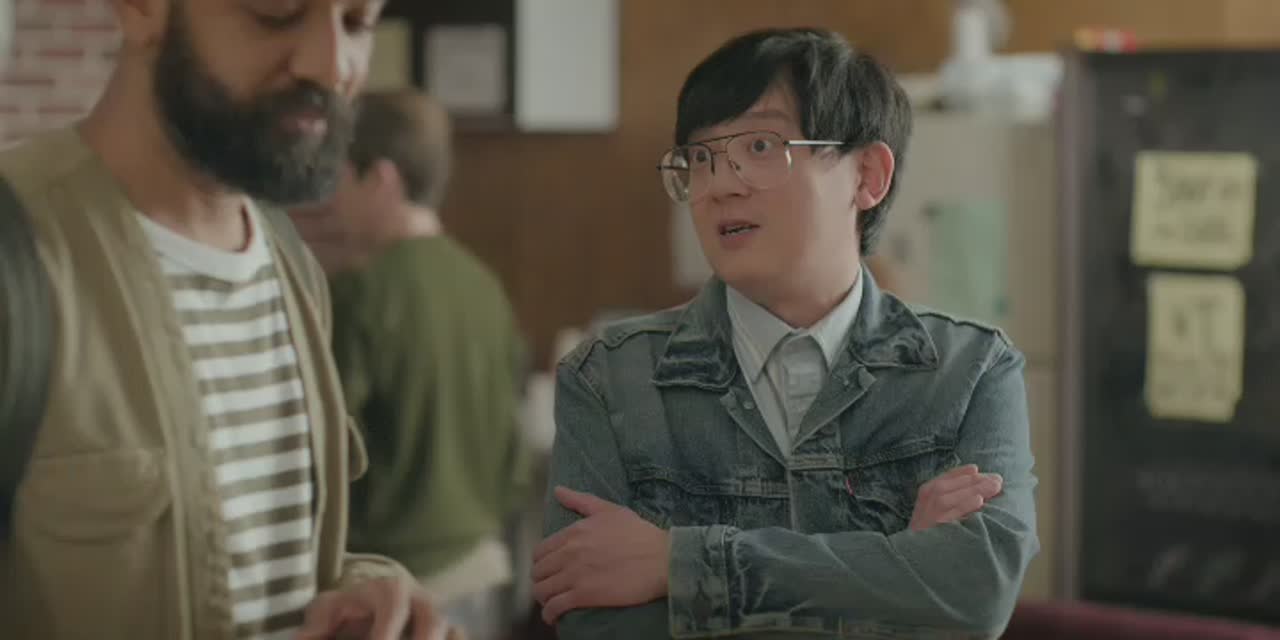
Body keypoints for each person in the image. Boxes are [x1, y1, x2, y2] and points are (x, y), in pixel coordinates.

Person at [533, 27, 1038, 639]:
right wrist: (898, 568)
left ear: (867, 175)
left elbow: (976, 593)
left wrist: (676, 564)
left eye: (760, 146)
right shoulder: (608, 379)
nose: (720, 184)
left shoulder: (970, 371)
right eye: (700, 158)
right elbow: (596, 623)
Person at [0, 1, 449, 639]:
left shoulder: (293, 268)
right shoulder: (18, 257)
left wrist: (356, 588)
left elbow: (245, 565)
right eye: (276, 12)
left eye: (356, 22)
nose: (332, 66)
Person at [289, 89, 533, 640]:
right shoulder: (485, 286)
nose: (332, 200)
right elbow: (512, 450)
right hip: (484, 569)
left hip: (397, 593)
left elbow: (325, 456)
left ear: (382, 178)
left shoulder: (361, 295)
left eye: (341, 178)